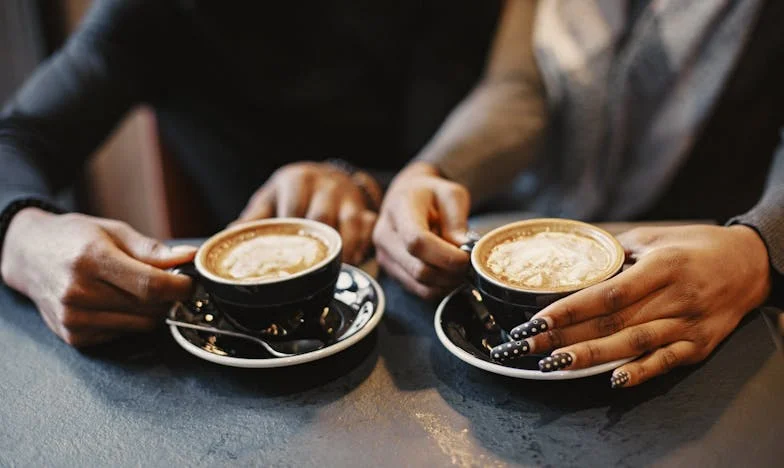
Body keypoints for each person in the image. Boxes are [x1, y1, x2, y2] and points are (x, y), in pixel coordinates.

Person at [0, 0, 499, 347]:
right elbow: (19, 137)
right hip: (243, 327)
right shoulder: (150, 14)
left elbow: (460, 153)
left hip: (419, 306)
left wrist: (365, 184)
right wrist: (24, 233)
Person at [374, 0, 784, 387]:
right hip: (542, 223)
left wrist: (760, 251)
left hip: (704, 274)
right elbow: (522, 85)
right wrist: (430, 169)